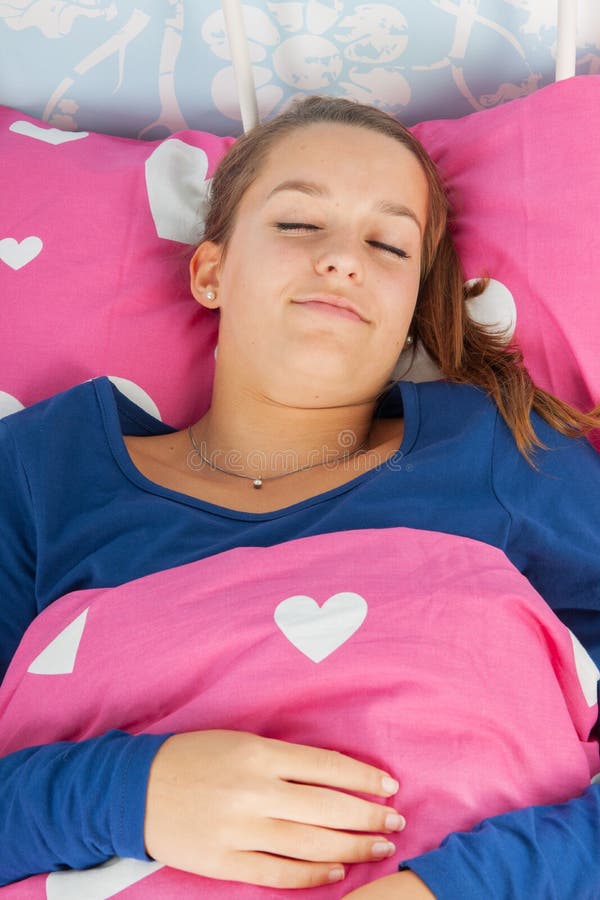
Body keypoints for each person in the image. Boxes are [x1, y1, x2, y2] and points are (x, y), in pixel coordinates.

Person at [1, 95, 600, 899]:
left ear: (412, 310)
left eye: (388, 244)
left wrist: (458, 888)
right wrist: (129, 793)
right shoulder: (45, 471)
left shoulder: (505, 453)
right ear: (210, 271)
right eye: (298, 225)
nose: (344, 260)